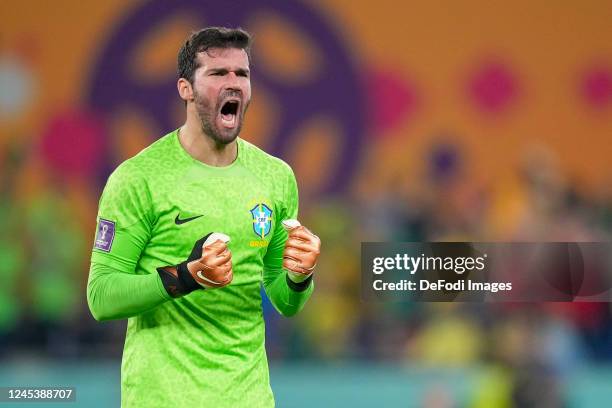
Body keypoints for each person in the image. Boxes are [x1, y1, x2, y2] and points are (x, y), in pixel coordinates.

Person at [87, 26, 321, 407]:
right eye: (217, 73)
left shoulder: (276, 177)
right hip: (162, 398)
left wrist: (299, 275)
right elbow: (102, 297)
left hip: (249, 397)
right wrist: (186, 277)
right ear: (186, 89)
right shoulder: (139, 178)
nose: (233, 83)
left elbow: (285, 301)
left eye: (241, 74)